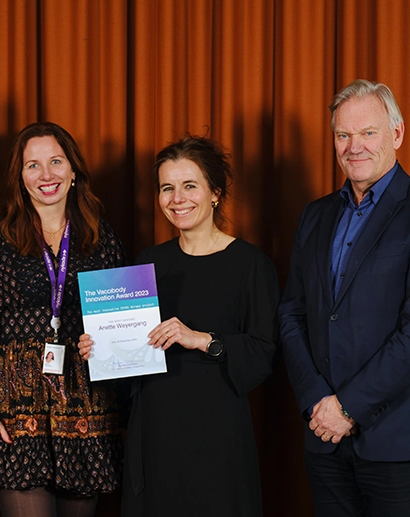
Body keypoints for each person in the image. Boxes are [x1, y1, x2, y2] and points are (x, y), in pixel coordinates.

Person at [279, 79, 410, 517]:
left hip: (400, 440)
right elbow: (292, 314)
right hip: (324, 439)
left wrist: (348, 407)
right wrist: (319, 405)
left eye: (368, 133)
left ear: (396, 134)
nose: (353, 147)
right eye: (343, 135)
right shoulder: (315, 215)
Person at [79, 136, 281, 516]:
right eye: (167, 188)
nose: (177, 198)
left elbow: (264, 352)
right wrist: (100, 351)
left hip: (216, 434)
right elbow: (129, 364)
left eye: (190, 186)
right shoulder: (149, 262)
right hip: (153, 430)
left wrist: (200, 339)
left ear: (215, 193)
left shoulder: (250, 264)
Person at [0, 122, 125, 517]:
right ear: (20, 176)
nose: (46, 175)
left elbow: (121, 327)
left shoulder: (103, 239)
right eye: (33, 165)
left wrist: (102, 345)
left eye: (55, 162)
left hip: (86, 417)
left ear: (74, 170)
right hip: (13, 416)